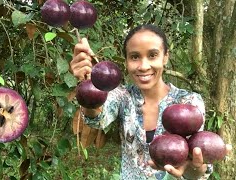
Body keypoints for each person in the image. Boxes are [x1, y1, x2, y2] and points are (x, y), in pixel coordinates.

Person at [69, 24, 232, 179]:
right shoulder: (123, 96)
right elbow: (96, 117)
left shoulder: (188, 102)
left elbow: (195, 168)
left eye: (152, 55)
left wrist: (195, 168)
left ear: (165, 57)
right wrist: (90, 86)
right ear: (126, 61)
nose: (143, 66)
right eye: (134, 57)